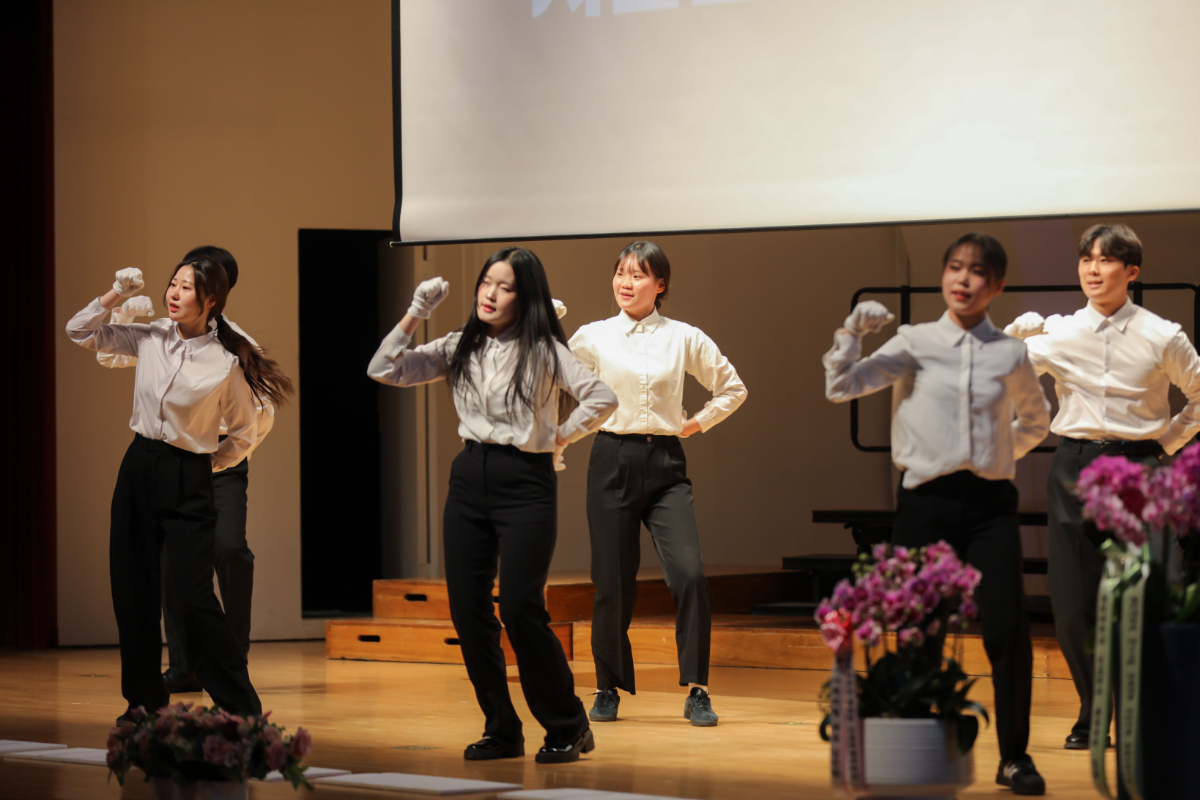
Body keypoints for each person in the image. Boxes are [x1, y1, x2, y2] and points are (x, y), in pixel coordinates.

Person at [367, 247, 617, 763]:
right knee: (468, 610)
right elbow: (383, 368)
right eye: (486, 282)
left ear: (525, 298)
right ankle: (502, 729)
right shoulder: (459, 344)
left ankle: (568, 725)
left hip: (526, 481)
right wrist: (416, 312)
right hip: (469, 477)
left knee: (521, 608)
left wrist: (561, 435)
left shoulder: (544, 350)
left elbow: (601, 397)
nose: (490, 294)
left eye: (505, 287)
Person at [824, 232, 1050, 795]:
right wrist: (852, 332)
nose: (963, 279)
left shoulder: (1010, 352)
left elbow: (1036, 420)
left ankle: (1014, 756)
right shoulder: (915, 340)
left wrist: (998, 454)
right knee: (918, 627)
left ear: (996, 285)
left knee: (1007, 627)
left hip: (990, 507)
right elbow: (843, 385)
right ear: (943, 274)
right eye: (955, 267)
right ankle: (916, 744)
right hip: (925, 503)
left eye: (977, 271)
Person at [66, 257, 293, 723]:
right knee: (132, 590)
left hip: (189, 474)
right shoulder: (151, 337)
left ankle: (240, 709)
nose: (173, 292)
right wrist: (116, 293)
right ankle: (143, 703)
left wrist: (205, 465)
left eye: (186, 287)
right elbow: (79, 330)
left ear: (210, 301)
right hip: (139, 466)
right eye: (173, 283)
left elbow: (245, 433)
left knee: (193, 597)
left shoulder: (225, 363)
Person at [1003, 223, 1200, 750]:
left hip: (1141, 468)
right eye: (1086, 259)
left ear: (1131, 271)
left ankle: (1152, 714)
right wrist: (1013, 337)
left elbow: (1199, 394)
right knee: (1073, 602)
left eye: (1106, 260)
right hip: (1076, 465)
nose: (1093, 269)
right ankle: (1093, 714)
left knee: (1153, 593)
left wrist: (1166, 444)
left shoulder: (1163, 334)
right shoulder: (1060, 333)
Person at [568, 240, 747, 728]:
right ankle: (607, 686)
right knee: (612, 583)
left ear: (660, 284)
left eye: (638, 275)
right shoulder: (593, 336)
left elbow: (732, 388)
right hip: (612, 459)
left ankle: (698, 690)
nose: (625, 283)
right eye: (620, 273)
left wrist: (696, 424)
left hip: (666, 463)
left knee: (690, 574)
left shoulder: (684, 337)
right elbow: (558, 383)